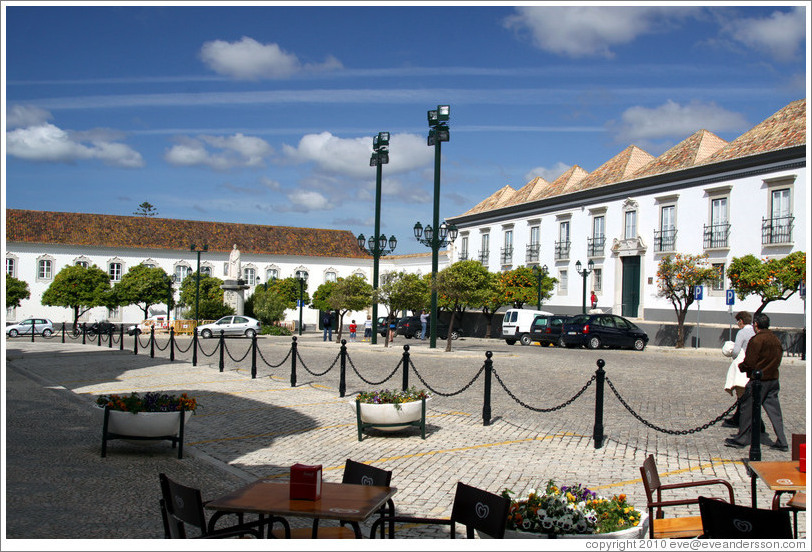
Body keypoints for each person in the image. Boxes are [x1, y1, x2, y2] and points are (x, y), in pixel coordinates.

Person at [724, 313, 788, 451]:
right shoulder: (775, 339)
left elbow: (750, 361)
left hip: (758, 381)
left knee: (747, 408)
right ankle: (782, 441)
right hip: (773, 379)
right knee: (775, 412)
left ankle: (742, 438)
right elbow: (778, 357)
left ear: (756, 325)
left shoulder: (757, 340)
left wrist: (742, 367)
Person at [722, 311, 755, 428]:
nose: (737, 324)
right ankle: (738, 417)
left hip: (743, 366)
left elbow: (736, 351)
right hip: (754, 365)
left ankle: (741, 420)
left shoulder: (742, 332)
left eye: (738, 321)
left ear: (741, 321)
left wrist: (734, 356)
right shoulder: (754, 331)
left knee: (741, 394)